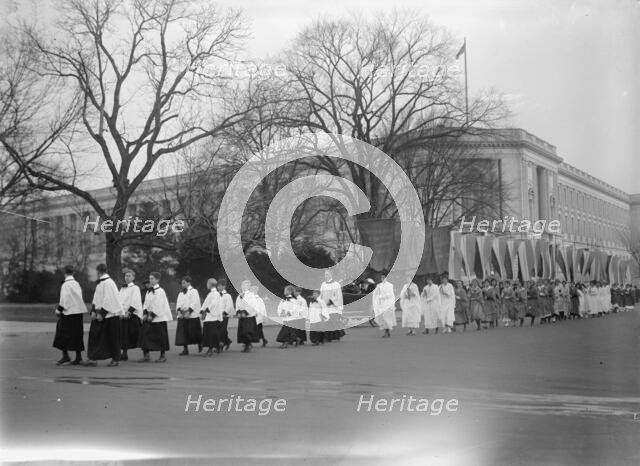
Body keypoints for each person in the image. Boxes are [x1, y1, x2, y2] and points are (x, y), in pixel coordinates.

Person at [85, 264, 123, 367]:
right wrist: (93, 311)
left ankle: (115, 359)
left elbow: (109, 299)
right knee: (94, 336)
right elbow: (96, 298)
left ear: (98, 271)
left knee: (112, 338)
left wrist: (102, 314)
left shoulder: (109, 283)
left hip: (110, 315)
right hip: (99, 314)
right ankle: (93, 358)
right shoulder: (100, 283)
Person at [53, 265, 87, 366]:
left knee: (62, 334)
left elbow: (64, 299)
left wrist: (58, 310)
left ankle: (65, 355)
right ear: (73, 273)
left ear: (65, 273)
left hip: (68, 313)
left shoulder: (65, 285)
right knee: (77, 334)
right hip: (78, 312)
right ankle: (78, 357)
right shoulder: (77, 283)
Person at [138, 272, 172, 363]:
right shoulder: (149, 291)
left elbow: (159, 305)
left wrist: (152, 316)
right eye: (150, 278)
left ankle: (163, 355)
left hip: (158, 318)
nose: (150, 280)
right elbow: (145, 303)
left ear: (157, 280)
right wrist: (144, 313)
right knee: (145, 336)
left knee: (160, 337)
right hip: (148, 317)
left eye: (152, 278)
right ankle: (146, 355)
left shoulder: (160, 291)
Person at [118, 268, 143, 361]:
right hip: (122, 314)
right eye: (126, 276)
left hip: (130, 314)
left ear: (133, 277)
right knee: (122, 335)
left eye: (129, 276)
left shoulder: (135, 288)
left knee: (131, 334)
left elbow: (135, 301)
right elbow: (119, 301)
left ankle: (146, 353)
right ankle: (124, 353)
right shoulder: (122, 288)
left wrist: (129, 312)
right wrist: (120, 312)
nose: (127, 277)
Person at [175, 276, 202, 356]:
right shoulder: (180, 293)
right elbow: (178, 303)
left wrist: (189, 312)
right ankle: (185, 349)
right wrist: (179, 312)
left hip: (192, 315)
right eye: (182, 283)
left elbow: (194, 302)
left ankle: (199, 343)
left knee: (194, 332)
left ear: (189, 283)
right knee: (184, 333)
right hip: (182, 315)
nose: (182, 284)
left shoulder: (194, 291)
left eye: (184, 283)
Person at [235, 280, 260, 353]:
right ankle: (246, 344)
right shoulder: (240, 295)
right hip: (241, 315)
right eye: (242, 285)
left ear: (248, 286)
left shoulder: (251, 295)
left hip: (248, 316)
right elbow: (237, 303)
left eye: (245, 285)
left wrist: (245, 312)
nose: (242, 287)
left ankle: (248, 344)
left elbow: (252, 305)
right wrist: (238, 311)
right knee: (242, 331)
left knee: (247, 331)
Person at [200, 278, 222, 356]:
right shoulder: (211, 294)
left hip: (212, 316)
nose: (206, 285)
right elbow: (206, 303)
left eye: (207, 283)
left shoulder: (215, 293)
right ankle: (218, 345)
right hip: (209, 316)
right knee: (211, 333)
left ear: (210, 284)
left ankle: (210, 349)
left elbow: (213, 304)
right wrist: (202, 310)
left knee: (210, 334)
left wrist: (206, 310)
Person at [320, 270, 345, 342]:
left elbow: (337, 295)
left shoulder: (336, 284)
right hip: (325, 305)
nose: (326, 276)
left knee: (333, 321)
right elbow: (321, 294)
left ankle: (337, 335)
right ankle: (328, 337)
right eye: (325, 274)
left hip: (332, 306)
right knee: (327, 321)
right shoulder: (323, 284)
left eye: (327, 274)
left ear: (331, 275)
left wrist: (331, 301)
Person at [373, 273, 396, 338]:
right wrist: (377, 297)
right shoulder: (379, 285)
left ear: (386, 278)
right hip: (381, 304)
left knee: (387, 318)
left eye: (384, 277)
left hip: (388, 304)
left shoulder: (390, 285)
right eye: (381, 278)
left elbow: (390, 295)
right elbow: (375, 293)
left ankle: (387, 332)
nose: (382, 279)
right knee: (383, 318)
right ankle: (386, 331)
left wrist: (382, 297)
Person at [217, 279, 234, 350]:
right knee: (219, 329)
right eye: (217, 286)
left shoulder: (227, 296)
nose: (218, 287)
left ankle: (220, 345)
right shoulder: (216, 294)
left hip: (224, 316)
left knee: (222, 330)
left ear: (224, 286)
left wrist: (225, 313)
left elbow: (229, 306)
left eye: (220, 286)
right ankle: (227, 341)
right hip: (217, 315)